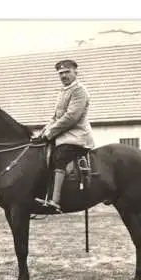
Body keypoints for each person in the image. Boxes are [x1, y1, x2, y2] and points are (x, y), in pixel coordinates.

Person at [31, 59, 95, 212]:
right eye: (61, 73)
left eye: (67, 72)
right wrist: (42, 133)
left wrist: (50, 134)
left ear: (75, 73)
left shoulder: (79, 91)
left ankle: (55, 200)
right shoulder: (63, 91)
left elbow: (71, 117)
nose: (64, 75)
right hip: (62, 135)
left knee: (59, 155)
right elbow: (55, 117)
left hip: (76, 136)